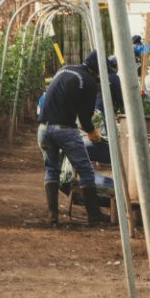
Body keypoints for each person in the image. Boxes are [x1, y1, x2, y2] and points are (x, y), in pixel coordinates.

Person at [37, 50, 110, 226]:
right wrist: (93, 133)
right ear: (98, 69)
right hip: (64, 130)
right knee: (85, 170)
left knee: (52, 170)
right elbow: (85, 120)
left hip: (42, 129)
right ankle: (94, 215)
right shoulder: (90, 82)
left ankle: (52, 215)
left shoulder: (65, 69)